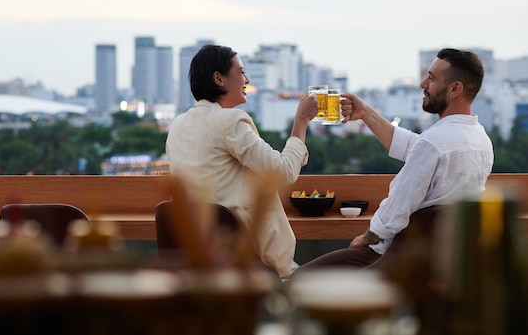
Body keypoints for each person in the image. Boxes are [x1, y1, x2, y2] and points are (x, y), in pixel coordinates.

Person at [295, 48, 494, 272]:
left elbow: (396, 209)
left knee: (300, 278)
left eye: (431, 78)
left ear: (455, 89)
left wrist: (368, 237)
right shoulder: (480, 140)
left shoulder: (434, 142)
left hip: (394, 260)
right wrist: (366, 113)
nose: (422, 84)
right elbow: (416, 148)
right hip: (439, 261)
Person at [165, 44, 319, 278]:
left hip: (198, 261)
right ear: (219, 78)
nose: (247, 79)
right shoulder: (231, 121)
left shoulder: (177, 125)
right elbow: (284, 172)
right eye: (241, 72)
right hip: (246, 264)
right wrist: (301, 121)